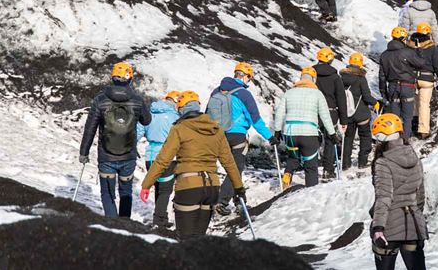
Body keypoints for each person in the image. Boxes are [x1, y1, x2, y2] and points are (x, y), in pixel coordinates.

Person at [140, 91, 244, 240]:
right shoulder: (216, 129)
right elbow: (229, 163)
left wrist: (146, 184)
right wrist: (239, 188)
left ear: (181, 109)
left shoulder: (179, 128)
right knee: (199, 240)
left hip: (188, 187)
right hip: (212, 188)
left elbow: (163, 160)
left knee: (185, 240)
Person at [79, 62, 151, 218]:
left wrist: (83, 152)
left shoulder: (100, 100)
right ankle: (125, 226)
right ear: (130, 78)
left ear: (112, 77)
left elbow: (90, 128)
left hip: (106, 156)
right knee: (126, 193)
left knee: (107, 194)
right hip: (128, 156)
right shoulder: (137, 100)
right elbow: (147, 121)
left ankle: (113, 226)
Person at [211, 62, 274, 216]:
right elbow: (256, 120)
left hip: (217, 135)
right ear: (245, 76)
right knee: (235, 169)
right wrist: (270, 137)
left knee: (229, 169)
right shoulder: (244, 94)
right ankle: (223, 201)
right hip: (236, 135)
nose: (248, 81)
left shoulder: (217, 91)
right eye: (249, 78)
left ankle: (240, 202)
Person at [370, 113, 427, 270]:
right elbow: (420, 195)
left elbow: (384, 197)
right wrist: (418, 216)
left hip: (389, 227)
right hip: (414, 226)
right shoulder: (415, 157)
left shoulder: (383, 162)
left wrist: (378, 228)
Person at [272, 67, 338, 188]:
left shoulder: (289, 92)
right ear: (314, 79)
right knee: (311, 166)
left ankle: (287, 174)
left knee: (293, 157)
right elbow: (325, 116)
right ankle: (311, 191)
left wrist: (277, 132)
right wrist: (332, 134)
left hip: (290, 132)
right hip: (309, 133)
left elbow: (279, 113)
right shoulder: (318, 94)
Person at [136, 90, 181, 227]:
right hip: (167, 156)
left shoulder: (150, 113)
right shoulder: (175, 117)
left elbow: (138, 132)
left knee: (158, 187)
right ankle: (159, 219)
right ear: (175, 102)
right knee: (165, 190)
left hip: (150, 156)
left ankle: (161, 216)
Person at [378, 27, 428, 139]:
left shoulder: (384, 55)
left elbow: (381, 76)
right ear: (402, 38)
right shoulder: (407, 52)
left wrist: (383, 93)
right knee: (407, 116)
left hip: (392, 87)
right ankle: (405, 140)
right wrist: (418, 49)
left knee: (395, 117)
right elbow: (421, 63)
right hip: (407, 86)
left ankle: (395, 139)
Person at [313, 46, 348, 179]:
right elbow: (341, 98)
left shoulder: (312, 75)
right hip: (330, 112)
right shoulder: (335, 77)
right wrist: (343, 120)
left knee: (314, 139)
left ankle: (311, 168)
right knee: (330, 141)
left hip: (314, 111)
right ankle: (328, 170)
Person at [340, 52, 379, 170]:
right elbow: (366, 97)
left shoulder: (341, 78)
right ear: (360, 63)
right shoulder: (361, 79)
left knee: (348, 138)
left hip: (347, 114)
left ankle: (345, 164)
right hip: (361, 114)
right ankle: (362, 162)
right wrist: (375, 103)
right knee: (365, 137)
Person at [409, 23, 438, 139]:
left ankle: (413, 124)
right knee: (424, 104)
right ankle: (423, 130)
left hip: (412, 78)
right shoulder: (432, 48)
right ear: (428, 34)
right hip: (427, 79)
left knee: (414, 103)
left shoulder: (410, 46)